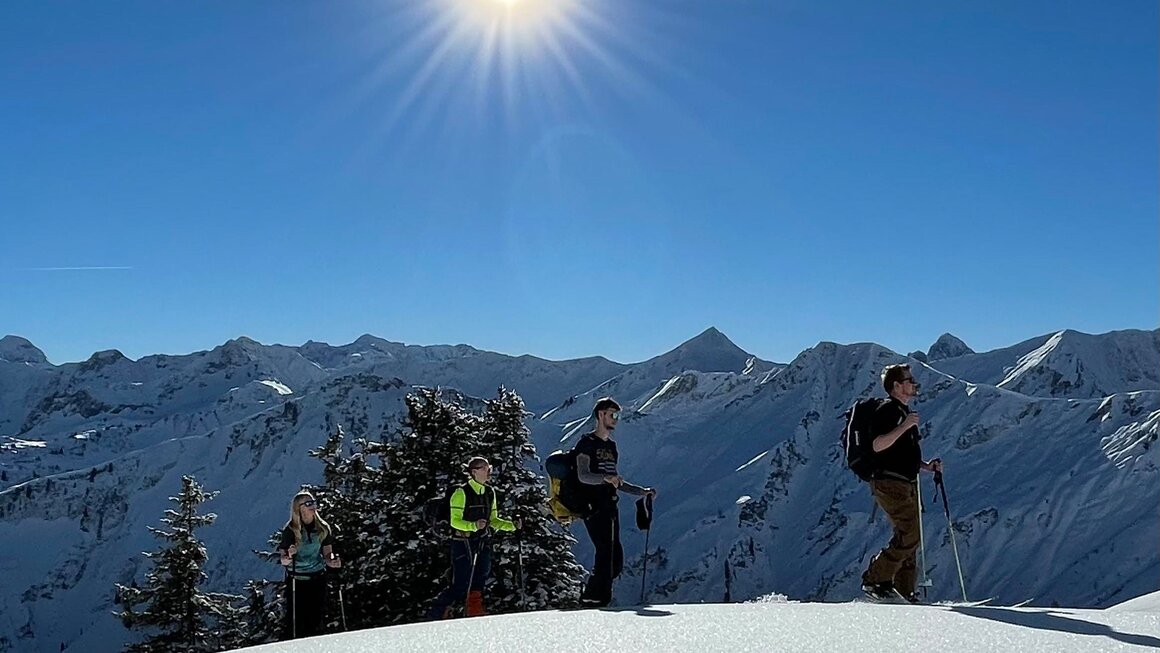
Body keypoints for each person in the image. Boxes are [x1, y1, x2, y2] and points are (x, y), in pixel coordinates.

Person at [861, 364, 942, 603]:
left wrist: (926, 466)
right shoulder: (889, 410)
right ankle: (875, 579)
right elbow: (877, 445)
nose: (914, 383)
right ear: (896, 386)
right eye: (909, 379)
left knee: (908, 536)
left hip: (903, 481)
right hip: (890, 482)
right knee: (910, 533)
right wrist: (906, 425)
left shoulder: (901, 412)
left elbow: (900, 454)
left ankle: (903, 592)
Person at [572, 397, 655, 607]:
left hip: (610, 505)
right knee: (606, 554)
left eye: (618, 415)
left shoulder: (611, 447)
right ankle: (595, 600)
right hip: (592, 506)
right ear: (601, 415)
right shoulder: (586, 443)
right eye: (612, 414)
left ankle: (593, 598)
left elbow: (616, 479)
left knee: (614, 559)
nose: (616, 419)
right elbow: (583, 475)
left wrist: (640, 492)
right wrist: (605, 479)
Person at [428, 457, 519, 619]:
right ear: (474, 472)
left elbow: (493, 520)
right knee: (461, 582)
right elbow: (454, 521)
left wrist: (512, 526)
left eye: (489, 468)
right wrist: (474, 526)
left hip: (481, 540)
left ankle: (473, 611)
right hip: (462, 542)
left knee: (480, 576)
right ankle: (437, 612)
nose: (488, 472)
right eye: (484, 468)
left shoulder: (489, 492)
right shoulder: (460, 493)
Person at [278, 491, 341, 638]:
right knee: (298, 620)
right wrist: (289, 555)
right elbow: (283, 560)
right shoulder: (290, 530)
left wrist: (332, 561)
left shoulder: (323, 528)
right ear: (299, 508)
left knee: (316, 618)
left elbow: (327, 553)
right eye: (308, 503)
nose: (313, 506)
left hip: (317, 576)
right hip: (297, 579)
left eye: (313, 502)